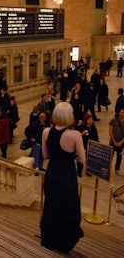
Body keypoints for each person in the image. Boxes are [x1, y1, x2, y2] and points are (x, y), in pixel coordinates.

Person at [41, 102, 86, 253]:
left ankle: (50, 238)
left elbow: (45, 155)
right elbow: (83, 160)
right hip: (67, 176)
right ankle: (64, 242)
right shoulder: (75, 135)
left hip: (51, 174)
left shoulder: (46, 131)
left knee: (51, 206)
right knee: (67, 208)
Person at [109, 108, 124, 176]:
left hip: (121, 143)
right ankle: (107, 168)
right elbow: (110, 131)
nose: (121, 114)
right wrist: (114, 141)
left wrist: (121, 142)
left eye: (123, 112)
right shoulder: (113, 120)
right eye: (120, 112)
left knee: (119, 156)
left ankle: (117, 169)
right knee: (110, 156)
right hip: (113, 142)